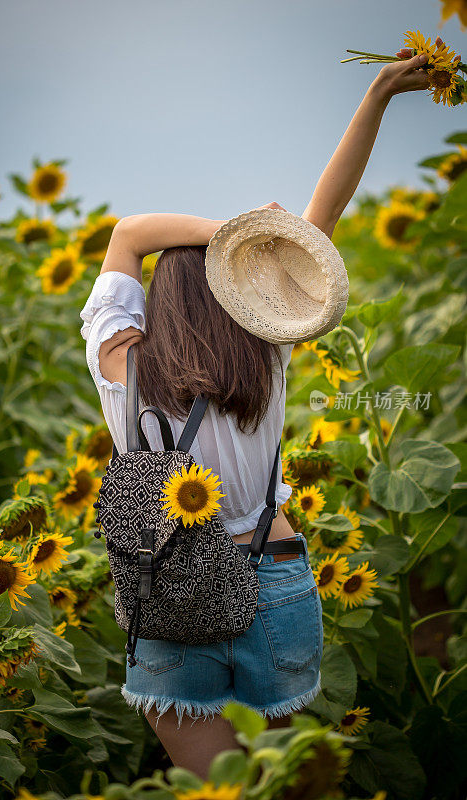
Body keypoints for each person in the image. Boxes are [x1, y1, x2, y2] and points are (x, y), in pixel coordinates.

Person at [80, 50, 432, 778]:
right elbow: (321, 221)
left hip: (167, 593)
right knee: (286, 781)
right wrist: (377, 94)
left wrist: (214, 233)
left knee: (216, 791)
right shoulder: (265, 354)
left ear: (159, 300)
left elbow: (126, 234)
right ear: (241, 299)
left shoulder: (122, 368)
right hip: (269, 574)